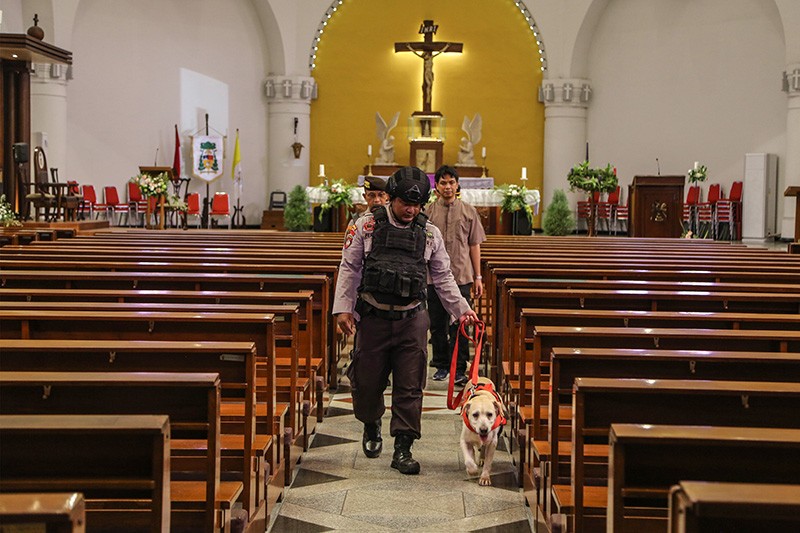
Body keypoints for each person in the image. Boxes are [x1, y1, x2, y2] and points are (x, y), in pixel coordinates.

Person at [333, 166, 478, 475]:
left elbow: (443, 278)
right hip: (372, 319)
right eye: (405, 203)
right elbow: (350, 268)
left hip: (412, 318)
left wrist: (462, 310)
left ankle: (403, 447)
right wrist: (343, 308)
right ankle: (371, 422)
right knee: (366, 384)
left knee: (410, 387)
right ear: (392, 199)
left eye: (417, 204)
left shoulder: (429, 232)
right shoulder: (366, 225)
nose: (411, 210)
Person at [426, 165, 486, 386]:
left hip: (461, 275)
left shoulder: (469, 211)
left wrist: (478, 276)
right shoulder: (428, 212)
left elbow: (474, 245)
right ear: (437, 186)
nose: (448, 187)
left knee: (461, 324)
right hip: (433, 278)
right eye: (443, 183)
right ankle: (441, 364)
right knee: (437, 324)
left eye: (451, 182)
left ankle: (459, 368)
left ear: (457, 184)